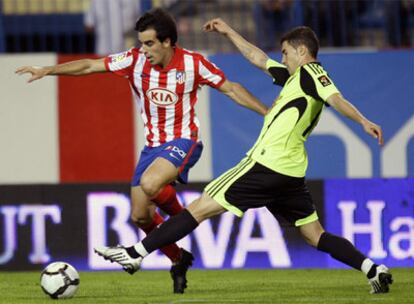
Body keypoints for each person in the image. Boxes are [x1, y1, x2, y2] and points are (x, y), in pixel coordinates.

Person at [94, 19, 393, 294]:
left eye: (286, 53)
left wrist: (363, 120)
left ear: (302, 51)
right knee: (315, 235)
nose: (283, 58)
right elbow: (258, 59)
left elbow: (335, 98)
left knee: (199, 208)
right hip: (290, 172)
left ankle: (135, 254)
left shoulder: (311, 72)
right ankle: (373, 269)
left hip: (264, 164)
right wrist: (229, 32)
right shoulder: (294, 80)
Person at [15, 10, 267, 294]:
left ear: (168, 41)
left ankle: (185, 218)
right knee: (140, 216)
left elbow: (231, 89)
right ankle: (178, 258)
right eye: (142, 43)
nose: (143, 50)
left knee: (150, 183)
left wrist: (268, 113)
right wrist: (48, 70)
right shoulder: (134, 61)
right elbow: (89, 66)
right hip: (152, 148)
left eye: (149, 44)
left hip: (184, 141)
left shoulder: (194, 64)